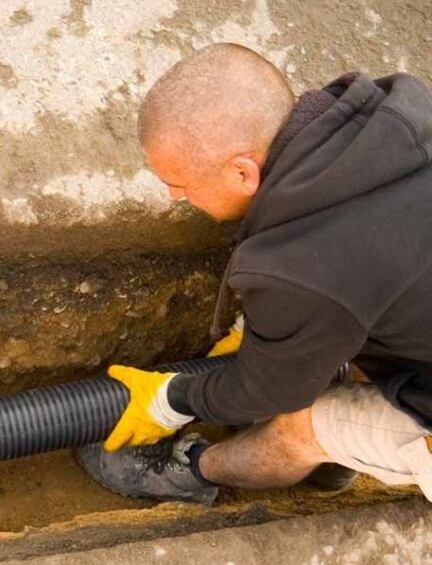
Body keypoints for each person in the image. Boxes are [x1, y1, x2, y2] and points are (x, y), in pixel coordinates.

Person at [75, 43, 432, 505]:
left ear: (243, 173)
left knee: (297, 426)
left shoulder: (305, 268)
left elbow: (269, 391)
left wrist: (172, 400)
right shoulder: (402, 114)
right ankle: (340, 461)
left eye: (179, 185)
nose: (175, 198)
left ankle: (194, 469)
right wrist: (266, 328)